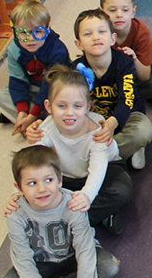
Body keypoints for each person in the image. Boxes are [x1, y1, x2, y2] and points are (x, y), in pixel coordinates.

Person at [0, 146, 121, 278]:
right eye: (32, 183)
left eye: (48, 180)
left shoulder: (73, 204)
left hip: (73, 261)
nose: (42, 189)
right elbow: (23, 262)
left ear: (60, 180)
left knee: (109, 266)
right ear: (18, 187)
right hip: (42, 265)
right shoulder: (16, 214)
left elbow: (86, 255)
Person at [18, 65, 132, 234]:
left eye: (77, 106)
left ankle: (68, 223)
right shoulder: (45, 129)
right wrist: (18, 194)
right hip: (67, 179)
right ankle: (96, 217)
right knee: (41, 190)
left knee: (122, 191)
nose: (69, 113)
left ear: (87, 107)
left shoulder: (97, 133)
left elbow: (97, 171)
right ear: (49, 107)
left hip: (106, 173)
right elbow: (31, 165)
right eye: (62, 106)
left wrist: (86, 195)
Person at [69, 9, 152, 170]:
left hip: (126, 116)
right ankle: (111, 154)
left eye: (102, 32)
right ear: (79, 44)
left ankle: (100, 157)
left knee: (143, 130)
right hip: (93, 120)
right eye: (88, 34)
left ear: (112, 38)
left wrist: (112, 123)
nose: (96, 37)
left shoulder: (124, 62)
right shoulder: (77, 69)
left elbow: (126, 100)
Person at [0, 0, 70, 135]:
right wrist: (21, 111)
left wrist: (33, 115)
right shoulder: (14, 50)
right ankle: (34, 125)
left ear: (48, 28)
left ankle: (36, 125)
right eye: (23, 33)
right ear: (15, 32)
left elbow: (51, 85)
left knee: (65, 107)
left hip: (56, 90)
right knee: (1, 95)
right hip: (34, 88)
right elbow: (18, 80)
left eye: (37, 32)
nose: (30, 39)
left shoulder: (57, 50)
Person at [99, 0, 152, 108]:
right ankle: (126, 98)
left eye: (125, 10)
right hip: (116, 70)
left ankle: (135, 98)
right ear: (101, 12)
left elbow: (145, 76)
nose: (119, 15)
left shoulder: (141, 32)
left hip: (144, 67)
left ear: (133, 12)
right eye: (112, 10)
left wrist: (134, 59)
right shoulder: (99, 31)